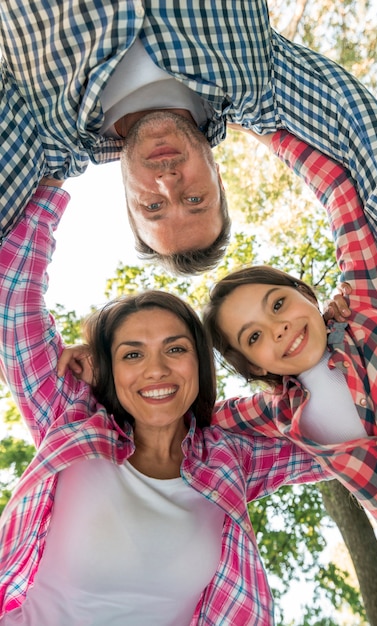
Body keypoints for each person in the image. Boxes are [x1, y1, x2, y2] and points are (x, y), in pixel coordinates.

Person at [0, 181, 329, 624]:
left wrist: (342, 334)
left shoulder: (230, 460)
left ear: (200, 365)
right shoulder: (71, 418)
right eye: (132, 354)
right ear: (109, 369)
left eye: (175, 349)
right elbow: (13, 302)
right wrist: (55, 171)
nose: (156, 369)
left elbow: (342, 432)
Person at [1, 1, 377, 325]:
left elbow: (13, 311)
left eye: (154, 207)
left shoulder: (46, 132)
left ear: (126, 199)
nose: (168, 184)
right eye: (196, 198)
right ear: (218, 175)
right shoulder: (259, 84)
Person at [202, 131, 377, 611]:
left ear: (306, 292)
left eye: (277, 304)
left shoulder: (367, 309)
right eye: (253, 337)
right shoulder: (276, 414)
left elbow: (339, 192)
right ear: (254, 365)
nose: (277, 330)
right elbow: (183, 412)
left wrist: (257, 128)